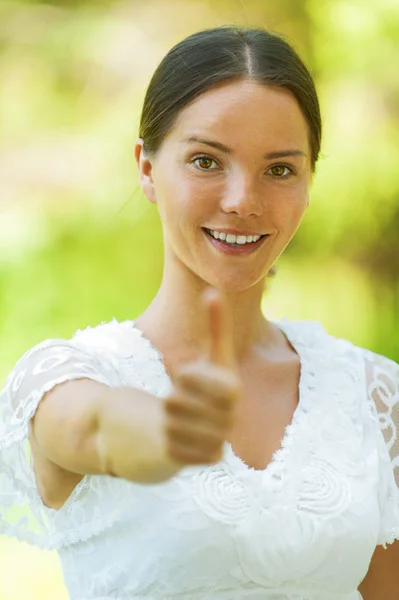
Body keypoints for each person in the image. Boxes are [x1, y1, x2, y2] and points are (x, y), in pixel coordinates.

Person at [0, 25, 398, 600]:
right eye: (207, 161)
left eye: (280, 169)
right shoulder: (70, 378)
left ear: (311, 178)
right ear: (146, 168)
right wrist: (161, 429)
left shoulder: (373, 395)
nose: (243, 200)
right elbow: (94, 427)